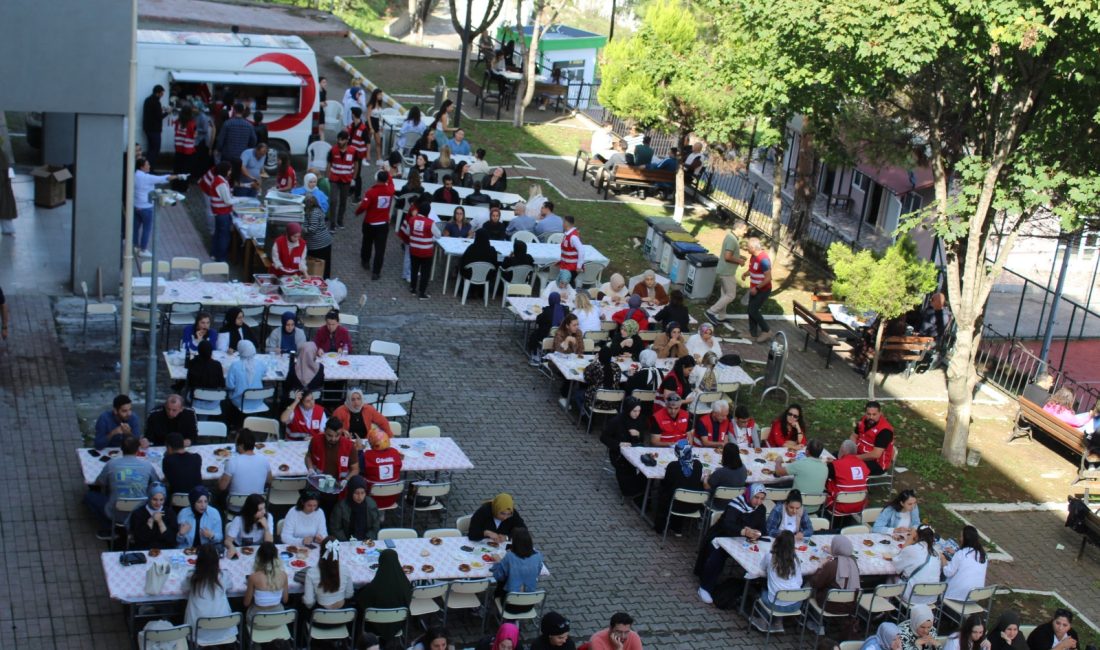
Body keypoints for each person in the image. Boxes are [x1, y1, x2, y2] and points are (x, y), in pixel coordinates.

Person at [695, 483, 768, 602]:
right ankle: (705, 586)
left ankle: (753, 587)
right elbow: (727, 525)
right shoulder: (735, 505)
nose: (758, 502)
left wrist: (757, 534)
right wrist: (744, 531)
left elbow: (763, 529)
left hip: (743, 540)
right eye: (756, 497)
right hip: (722, 537)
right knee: (717, 556)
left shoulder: (761, 509)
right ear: (749, 495)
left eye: (761, 498)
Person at [84, 436, 158, 538]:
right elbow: (156, 483)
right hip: (140, 510)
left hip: (115, 510)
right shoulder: (147, 465)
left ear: (121, 449)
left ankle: (109, 528)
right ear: (138, 449)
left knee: (90, 496)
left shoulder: (111, 464)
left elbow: (100, 482)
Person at [749, 530, 804, 633]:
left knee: (765, 588)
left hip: (774, 604)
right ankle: (778, 623)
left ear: (777, 542)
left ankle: (763, 622)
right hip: (796, 604)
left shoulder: (770, 556)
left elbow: (762, 567)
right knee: (782, 591)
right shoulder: (796, 560)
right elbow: (800, 582)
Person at [356, 548, 413, 641]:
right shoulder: (405, 584)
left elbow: (361, 601)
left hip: (374, 626)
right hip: (397, 623)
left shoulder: (374, 587)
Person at [184, 544, 235, 646]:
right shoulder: (223, 576)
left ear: (198, 561)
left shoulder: (192, 577)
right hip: (223, 630)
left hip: (198, 632)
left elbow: (184, 588)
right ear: (217, 562)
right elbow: (231, 586)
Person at [653, 440, 705, 535]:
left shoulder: (673, 466)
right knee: (683, 489)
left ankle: (660, 527)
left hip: (675, 504)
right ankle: (677, 528)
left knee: (665, 492)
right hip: (693, 505)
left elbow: (666, 483)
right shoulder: (698, 465)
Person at [131, 157, 180, 257]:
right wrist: (178, 176)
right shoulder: (146, 178)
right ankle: (143, 250)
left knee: (135, 228)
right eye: (147, 165)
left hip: (136, 205)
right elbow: (163, 178)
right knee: (146, 229)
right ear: (142, 167)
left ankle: (134, 246)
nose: (149, 166)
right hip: (146, 207)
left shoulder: (134, 175)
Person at [199, 161, 246, 262]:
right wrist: (240, 200)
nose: (230, 172)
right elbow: (228, 201)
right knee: (224, 236)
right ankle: (221, 257)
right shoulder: (221, 183)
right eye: (229, 170)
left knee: (218, 234)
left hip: (219, 213)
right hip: (222, 213)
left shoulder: (218, 180)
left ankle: (214, 253)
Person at [603, 397, 648, 498]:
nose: (637, 414)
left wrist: (639, 434)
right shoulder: (616, 421)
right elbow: (604, 437)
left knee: (645, 469)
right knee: (626, 470)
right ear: (628, 410)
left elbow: (642, 439)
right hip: (618, 454)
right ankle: (632, 494)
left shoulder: (640, 419)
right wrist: (619, 444)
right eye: (634, 411)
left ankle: (643, 494)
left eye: (639, 411)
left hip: (636, 451)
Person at [706, 222, 748, 327]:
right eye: (744, 229)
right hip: (727, 272)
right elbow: (727, 257)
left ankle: (721, 317)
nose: (746, 232)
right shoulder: (732, 239)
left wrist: (739, 256)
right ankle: (711, 311)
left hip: (725, 270)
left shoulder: (731, 237)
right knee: (730, 295)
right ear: (738, 228)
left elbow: (729, 254)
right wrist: (739, 261)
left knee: (724, 295)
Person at [491, 527, 544, 610]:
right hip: (528, 604)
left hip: (509, 605)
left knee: (501, 583)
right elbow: (537, 573)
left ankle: (501, 615)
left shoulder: (510, 556)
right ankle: (514, 621)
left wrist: (498, 562)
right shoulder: (538, 555)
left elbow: (498, 576)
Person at [809, 534, 860, 620]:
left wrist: (820, 566)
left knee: (809, 585)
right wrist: (833, 552)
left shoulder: (831, 565)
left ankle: (815, 622)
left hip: (831, 605)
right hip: (850, 605)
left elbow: (815, 583)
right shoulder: (853, 562)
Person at [357, 170, 396, 280]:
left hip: (370, 223)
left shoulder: (371, 192)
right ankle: (376, 272)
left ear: (377, 179)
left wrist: (357, 212)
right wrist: (389, 173)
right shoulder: (389, 190)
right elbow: (392, 184)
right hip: (383, 224)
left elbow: (364, 206)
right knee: (380, 249)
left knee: (367, 243)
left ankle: (365, 261)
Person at [304, 536, 354, 617]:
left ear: (321, 551)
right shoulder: (345, 569)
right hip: (342, 617)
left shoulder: (311, 572)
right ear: (338, 552)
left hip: (320, 619)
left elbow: (309, 602)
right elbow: (349, 594)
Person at [218, 429, 271, 504]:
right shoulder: (264, 460)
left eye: (236, 443)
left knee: (218, 495)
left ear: (241, 446)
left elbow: (222, 487)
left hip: (236, 507)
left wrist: (221, 477)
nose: (235, 444)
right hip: (257, 507)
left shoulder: (232, 462)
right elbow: (269, 481)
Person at [243, 541, 289, 624]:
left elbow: (246, 603)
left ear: (259, 557)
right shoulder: (284, 575)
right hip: (278, 620)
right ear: (276, 557)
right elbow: (285, 600)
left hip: (257, 622)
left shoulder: (253, 577)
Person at [894, 525, 941, 604]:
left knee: (891, 577)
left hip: (912, 596)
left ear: (917, 535)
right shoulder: (937, 553)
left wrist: (907, 543)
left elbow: (896, 566)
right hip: (931, 598)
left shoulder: (913, 549)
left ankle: (886, 604)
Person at [307, 418, 360, 487]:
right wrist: (310, 469)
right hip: (318, 483)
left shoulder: (349, 446)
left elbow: (355, 469)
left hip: (340, 485)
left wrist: (346, 480)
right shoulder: (315, 441)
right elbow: (308, 457)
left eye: (337, 435)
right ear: (325, 431)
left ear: (341, 433)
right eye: (330, 435)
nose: (333, 439)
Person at [357, 427, 402, 508]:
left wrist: (359, 450)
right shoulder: (395, 452)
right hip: (392, 498)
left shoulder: (366, 456)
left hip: (371, 499)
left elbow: (359, 467)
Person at [942, 525, 989, 601]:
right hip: (974, 598)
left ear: (966, 539)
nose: (960, 539)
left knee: (943, 577)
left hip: (957, 596)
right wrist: (955, 553)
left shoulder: (961, 553)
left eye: (961, 536)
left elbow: (948, 572)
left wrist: (942, 558)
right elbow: (968, 560)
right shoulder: (983, 555)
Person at [328, 474, 380, 541]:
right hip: (347, 542)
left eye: (362, 493)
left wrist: (368, 539)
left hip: (366, 541)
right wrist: (346, 542)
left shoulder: (371, 504)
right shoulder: (341, 507)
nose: (360, 497)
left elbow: (375, 526)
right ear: (350, 492)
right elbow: (335, 529)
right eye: (356, 493)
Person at [826, 440, 869, 516]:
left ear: (842, 450)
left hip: (838, 507)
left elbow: (824, 477)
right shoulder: (863, 465)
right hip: (859, 506)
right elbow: (848, 468)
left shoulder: (835, 465)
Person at [225, 341, 269, 415]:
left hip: (240, 401)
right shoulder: (260, 364)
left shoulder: (235, 366)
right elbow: (264, 373)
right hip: (258, 400)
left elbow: (230, 386)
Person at [853, 400, 897, 475]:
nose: (871, 417)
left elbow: (875, 455)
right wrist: (851, 449)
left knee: (848, 468)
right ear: (865, 413)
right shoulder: (863, 420)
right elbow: (853, 436)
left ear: (880, 413)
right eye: (868, 414)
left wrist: (855, 458)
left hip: (877, 464)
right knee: (836, 456)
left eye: (874, 414)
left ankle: (848, 484)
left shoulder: (885, 431)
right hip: (860, 454)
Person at [742, 237, 773, 342]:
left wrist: (757, 288)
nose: (746, 249)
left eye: (748, 247)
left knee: (753, 310)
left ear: (753, 248)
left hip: (763, 290)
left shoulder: (763, 259)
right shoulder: (753, 256)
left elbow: (768, 278)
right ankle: (753, 333)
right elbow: (753, 269)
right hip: (754, 288)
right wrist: (745, 274)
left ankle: (767, 330)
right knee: (750, 310)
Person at [129, 483, 178, 550]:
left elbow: (172, 540)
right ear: (149, 497)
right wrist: (150, 521)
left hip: (164, 550)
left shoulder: (169, 513)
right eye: (154, 499)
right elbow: (139, 540)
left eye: (161, 500)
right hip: (144, 550)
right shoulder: (138, 513)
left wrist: (160, 522)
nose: (158, 503)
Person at [327, 131, 358, 230]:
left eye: (342, 139)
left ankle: (340, 220)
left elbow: (356, 164)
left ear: (347, 140)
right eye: (338, 139)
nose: (339, 141)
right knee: (333, 201)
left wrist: (354, 177)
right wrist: (328, 177)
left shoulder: (353, 151)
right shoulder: (332, 150)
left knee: (343, 201)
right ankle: (332, 223)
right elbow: (329, 164)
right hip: (334, 179)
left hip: (346, 180)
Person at [527, 291, 566, 365]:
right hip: (562, 335)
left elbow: (538, 321)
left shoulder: (547, 310)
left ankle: (535, 356)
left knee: (534, 336)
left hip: (547, 334)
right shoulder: (564, 309)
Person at [300, 193, 333, 279]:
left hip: (318, 245)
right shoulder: (317, 210)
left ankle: (320, 281)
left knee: (318, 266)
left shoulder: (313, 212)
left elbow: (312, 229)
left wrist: (302, 228)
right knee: (325, 265)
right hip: (324, 242)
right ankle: (324, 280)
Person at [580, 346, 622, 412]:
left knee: (577, 394)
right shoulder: (616, 367)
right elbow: (618, 379)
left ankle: (585, 415)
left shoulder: (596, 367)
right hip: (612, 402)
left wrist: (594, 361)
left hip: (596, 401)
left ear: (599, 356)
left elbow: (587, 378)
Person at [186, 340, 225, 411]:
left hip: (195, 401)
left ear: (199, 351)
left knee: (187, 391)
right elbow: (222, 384)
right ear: (211, 351)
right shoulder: (217, 365)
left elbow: (189, 383)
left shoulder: (192, 363)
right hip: (213, 402)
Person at [215, 103, 257, 168]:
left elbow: (220, 140)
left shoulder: (227, 123)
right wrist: (247, 149)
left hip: (227, 155)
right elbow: (254, 141)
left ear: (234, 110)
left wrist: (218, 149)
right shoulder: (249, 125)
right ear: (243, 111)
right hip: (242, 155)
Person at [142, 85, 168, 166]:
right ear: (158, 93)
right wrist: (167, 112)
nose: (162, 95)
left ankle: (146, 167)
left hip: (147, 129)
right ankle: (150, 168)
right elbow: (159, 117)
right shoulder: (156, 102)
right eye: (162, 93)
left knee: (150, 149)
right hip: (155, 130)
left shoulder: (147, 100)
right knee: (155, 150)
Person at [558, 215, 584, 280]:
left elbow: (581, 251)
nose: (562, 224)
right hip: (566, 266)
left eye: (563, 222)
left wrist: (579, 266)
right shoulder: (567, 234)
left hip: (571, 267)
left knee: (568, 285)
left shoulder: (573, 237)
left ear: (566, 223)